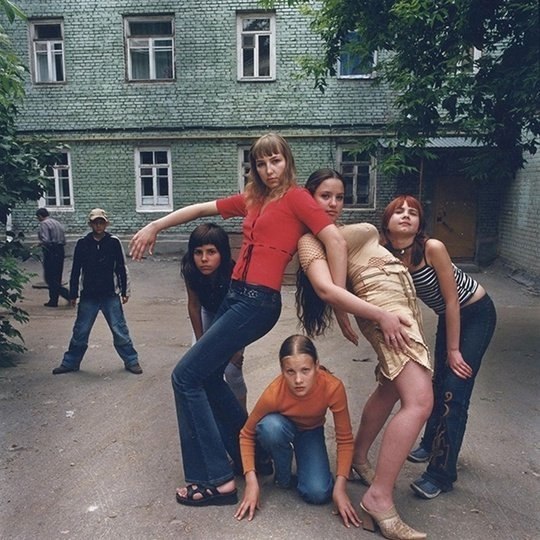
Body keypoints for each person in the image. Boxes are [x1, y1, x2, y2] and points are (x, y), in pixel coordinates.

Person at [129, 133, 349, 507]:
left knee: (184, 376)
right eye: (261, 163)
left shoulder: (297, 198)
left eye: (275, 160)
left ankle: (216, 480)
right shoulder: (253, 199)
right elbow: (201, 209)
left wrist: (340, 303)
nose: (269, 169)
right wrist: (155, 226)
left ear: (287, 161)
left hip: (258, 302)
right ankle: (255, 455)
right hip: (236, 295)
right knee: (206, 376)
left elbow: (337, 242)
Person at [296, 169, 433, 540]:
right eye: (325, 196)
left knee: (390, 388)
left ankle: (358, 458)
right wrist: (375, 316)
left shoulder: (336, 233)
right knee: (420, 401)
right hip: (387, 314)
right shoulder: (310, 241)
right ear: (308, 198)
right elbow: (327, 289)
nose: (334, 204)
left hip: (402, 311)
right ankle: (378, 499)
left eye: (340, 197)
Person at [381, 195, 497, 499]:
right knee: (438, 383)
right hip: (450, 317)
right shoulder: (386, 252)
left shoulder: (433, 248)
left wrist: (453, 350)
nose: (406, 215)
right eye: (399, 211)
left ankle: (441, 474)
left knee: (455, 390)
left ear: (420, 223)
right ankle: (431, 442)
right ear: (387, 221)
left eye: (413, 212)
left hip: (475, 312)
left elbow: (452, 301)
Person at [234, 334, 361, 528]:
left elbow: (344, 439)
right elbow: (246, 434)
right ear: (282, 370)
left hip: (311, 431)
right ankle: (282, 476)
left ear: (317, 366)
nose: (298, 380)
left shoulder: (332, 387)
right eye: (290, 372)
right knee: (270, 428)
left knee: (318, 493)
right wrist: (251, 482)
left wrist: (341, 487)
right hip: (281, 427)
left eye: (305, 370)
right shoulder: (274, 392)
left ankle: (306, 461)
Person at [52, 208, 142, 375]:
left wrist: (125, 291)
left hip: (110, 294)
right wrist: (73, 294)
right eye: (95, 223)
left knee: (119, 329)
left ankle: (131, 361)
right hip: (89, 295)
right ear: (90, 224)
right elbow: (76, 270)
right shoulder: (83, 243)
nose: (98, 225)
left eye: (101, 222)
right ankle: (70, 363)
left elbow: (121, 267)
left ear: (106, 224)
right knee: (81, 330)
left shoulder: (113, 242)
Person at [181, 223, 247, 410]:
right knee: (197, 367)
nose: (204, 259)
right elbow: (194, 305)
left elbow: (241, 314)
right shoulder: (190, 270)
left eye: (211, 252)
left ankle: (243, 417)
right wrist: (201, 342)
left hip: (232, 318)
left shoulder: (234, 274)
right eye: (198, 252)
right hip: (207, 313)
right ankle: (209, 414)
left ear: (222, 253)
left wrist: (236, 350)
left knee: (232, 370)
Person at [35, 208, 70, 307]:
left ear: (40, 216)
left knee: (50, 278)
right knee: (57, 276)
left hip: (51, 251)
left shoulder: (44, 224)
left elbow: (46, 240)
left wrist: (39, 244)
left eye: (38, 217)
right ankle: (53, 300)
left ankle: (67, 295)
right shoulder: (57, 223)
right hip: (60, 250)